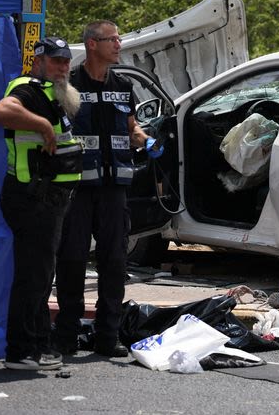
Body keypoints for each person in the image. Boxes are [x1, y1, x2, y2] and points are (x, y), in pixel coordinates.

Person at [53, 20, 163, 358]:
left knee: (114, 262)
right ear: (91, 45)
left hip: (115, 189)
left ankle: (107, 336)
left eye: (118, 39)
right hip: (77, 188)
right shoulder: (68, 84)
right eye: (111, 39)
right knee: (71, 260)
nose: (118, 44)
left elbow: (131, 127)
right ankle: (67, 335)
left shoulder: (123, 85)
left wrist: (146, 140)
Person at [0, 37, 83, 370]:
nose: (62, 67)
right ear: (38, 60)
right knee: (33, 276)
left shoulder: (53, 94)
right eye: (56, 61)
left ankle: (39, 345)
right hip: (32, 198)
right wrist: (42, 124)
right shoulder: (27, 88)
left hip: (50, 200)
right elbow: (1, 111)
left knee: (42, 276)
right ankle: (20, 351)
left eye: (65, 62)